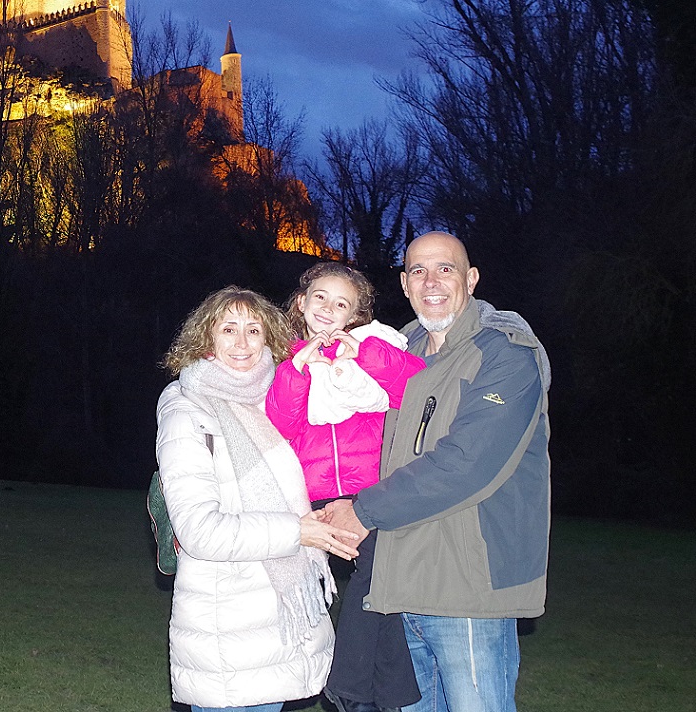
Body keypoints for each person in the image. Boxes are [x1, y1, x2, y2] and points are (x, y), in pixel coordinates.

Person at [322, 232, 551, 712]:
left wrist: (361, 511)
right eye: (418, 271)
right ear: (404, 284)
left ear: (470, 279)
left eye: (445, 269)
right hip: (397, 585)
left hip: (466, 589)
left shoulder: (505, 354)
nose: (431, 282)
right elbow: (346, 436)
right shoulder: (392, 355)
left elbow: (465, 462)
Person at [156, 285, 359, 712]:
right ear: (205, 338)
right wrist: (298, 531)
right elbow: (200, 531)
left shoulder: (277, 400)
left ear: (270, 337)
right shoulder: (187, 408)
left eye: (254, 329)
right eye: (228, 329)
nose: (243, 342)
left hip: (274, 628)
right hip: (228, 628)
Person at [265, 262, 425, 712]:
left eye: (342, 304)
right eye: (320, 297)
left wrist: (363, 353)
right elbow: (281, 423)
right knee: (381, 582)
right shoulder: (286, 360)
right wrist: (298, 369)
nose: (328, 309)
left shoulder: (375, 346)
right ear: (302, 302)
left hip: (370, 493)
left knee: (382, 577)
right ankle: (376, 693)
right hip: (316, 497)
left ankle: (356, 688)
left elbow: (413, 382)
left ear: (354, 315)